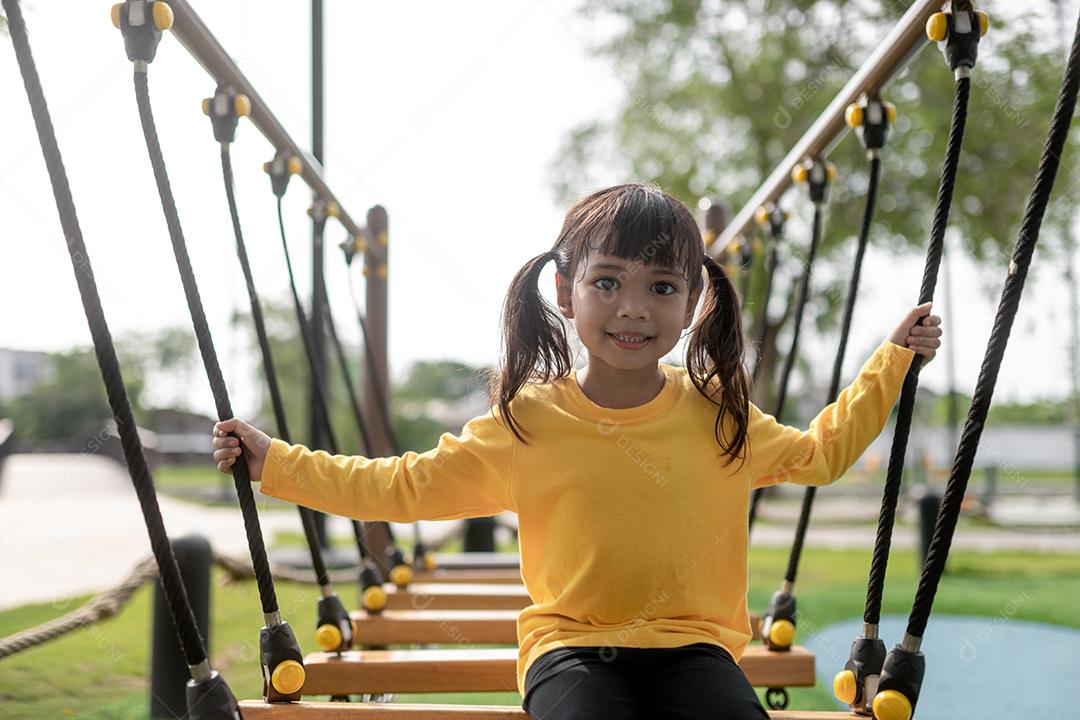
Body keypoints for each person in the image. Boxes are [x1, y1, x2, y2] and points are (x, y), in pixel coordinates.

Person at [210, 184, 941, 719]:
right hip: (570, 648)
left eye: (661, 287)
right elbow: (399, 487)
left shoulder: (720, 417)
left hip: (699, 648)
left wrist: (892, 361)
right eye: (607, 282)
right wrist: (274, 462)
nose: (633, 307)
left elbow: (822, 454)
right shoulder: (530, 423)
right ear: (565, 291)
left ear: (690, 307)